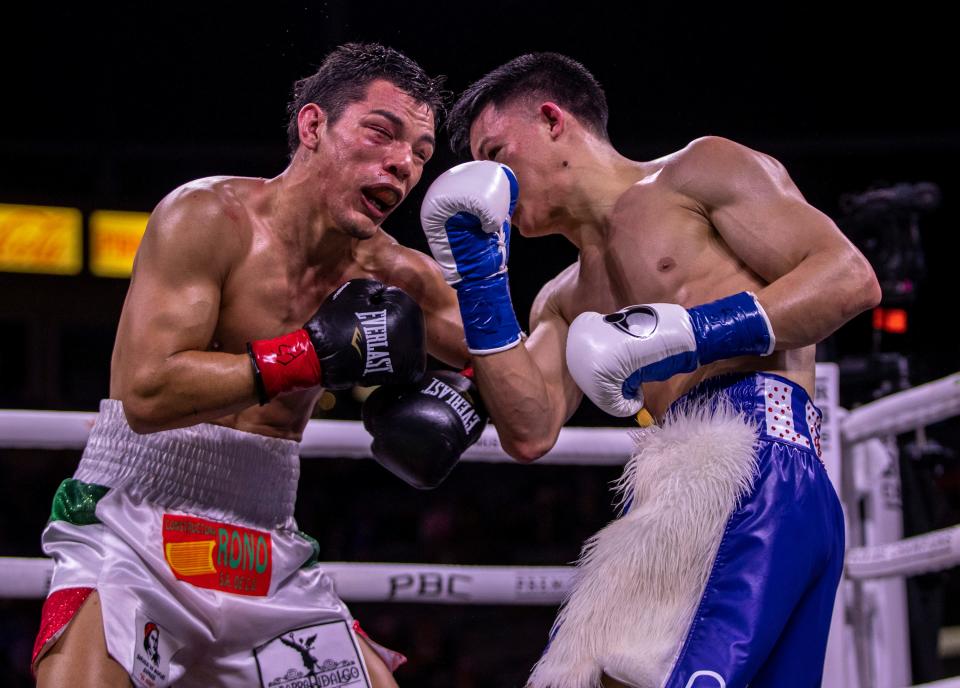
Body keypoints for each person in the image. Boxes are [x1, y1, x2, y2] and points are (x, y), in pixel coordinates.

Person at [420, 53, 881, 687]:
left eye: (496, 154)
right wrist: (479, 282)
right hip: (689, 487)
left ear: (553, 120)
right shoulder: (562, 297)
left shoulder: (696, 173)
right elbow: (529, 430)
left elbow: (848, 279)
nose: (493, 185)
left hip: (755, 466)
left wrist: (690, 333)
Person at [32, 43, 475, 688]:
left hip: (265, 545)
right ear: (313, 125)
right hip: (133, 521)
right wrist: (309, 355)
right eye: (383, 133)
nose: (403, 164)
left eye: (421, 154)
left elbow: (509, 372)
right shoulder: (208, 217)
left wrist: (469, 381)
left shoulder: (398, 274)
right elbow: (146, 393)